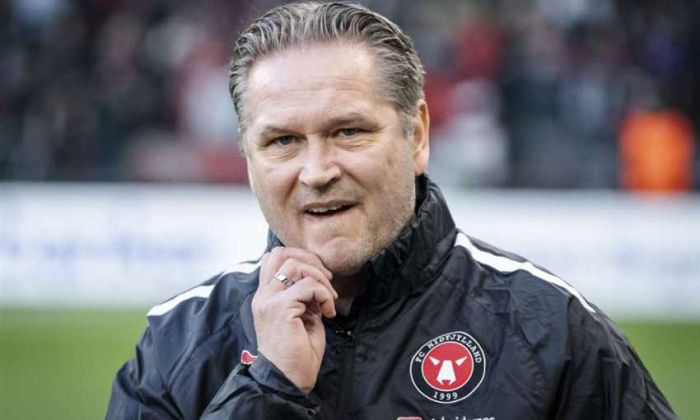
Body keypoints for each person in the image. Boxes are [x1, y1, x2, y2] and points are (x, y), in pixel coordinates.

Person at [106, 2, 676, 419]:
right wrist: (267, 388)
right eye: (282, 141)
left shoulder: (554, 333)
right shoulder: (178, 343)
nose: (316, 170)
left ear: (417, 135)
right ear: (247, 157)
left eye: (348, 131)